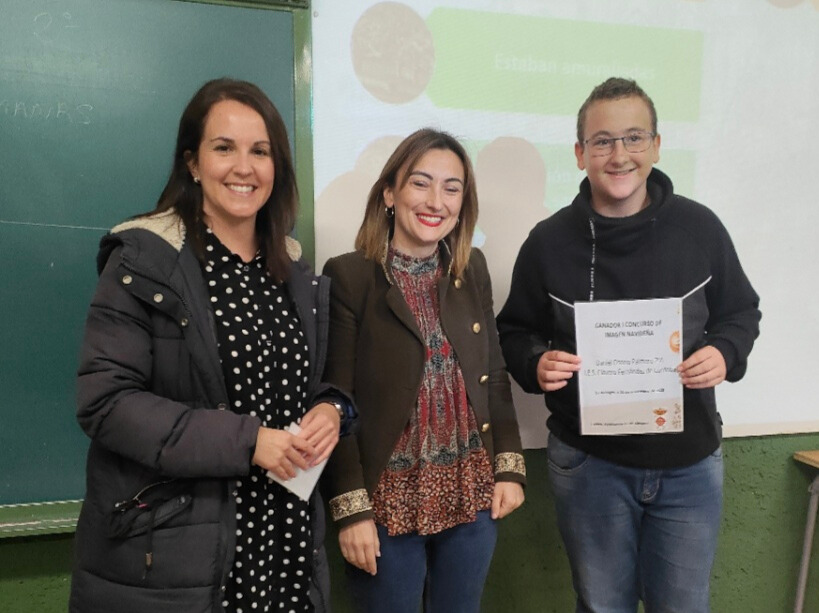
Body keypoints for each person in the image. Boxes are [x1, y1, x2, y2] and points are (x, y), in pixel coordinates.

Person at [70, 78, 354, 613]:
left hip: (286, 549)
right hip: (178, 558)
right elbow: (106, 402)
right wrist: (247, 442)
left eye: (260, 151)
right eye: (224, 148)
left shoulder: (294, 272)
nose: (244, 168)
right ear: (193, 164)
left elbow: (312, 383)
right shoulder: (144, 261)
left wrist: (331, 409)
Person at [497, 77, 761, 613]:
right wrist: (536, 363)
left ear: (656, 146)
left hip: (689, 465)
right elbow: (515, 330)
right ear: (580, 154)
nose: (619, 155)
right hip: (589, 465)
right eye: (602, 141)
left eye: (634, 138)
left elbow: (741, 312)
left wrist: (725, 353)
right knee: (601, 606)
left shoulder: (700, 228)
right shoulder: (548, 242)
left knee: (684, 606)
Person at [320, 128, 526, 613]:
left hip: (471, 494)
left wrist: (509, 467)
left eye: (452, 188)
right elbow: (334, 401)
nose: (436, 201)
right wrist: (351, 511)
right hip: (386, 505)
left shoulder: (471, 268)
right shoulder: (349, 275)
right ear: (389, 194)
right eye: (420, 183)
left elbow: (495, 373)